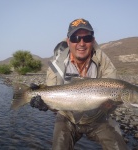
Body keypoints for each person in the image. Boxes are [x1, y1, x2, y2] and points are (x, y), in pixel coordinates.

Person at [31, 18, 128, 150]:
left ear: (92, 40)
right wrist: (45, 104)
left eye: (87, 38)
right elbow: (54, 101)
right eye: (76, 38)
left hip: (98, 117)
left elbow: (114, 94)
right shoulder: (56, 65)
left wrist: (109, 105)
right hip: (67, 118)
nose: (81, 43)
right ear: (68, 41)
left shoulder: (103, 61)